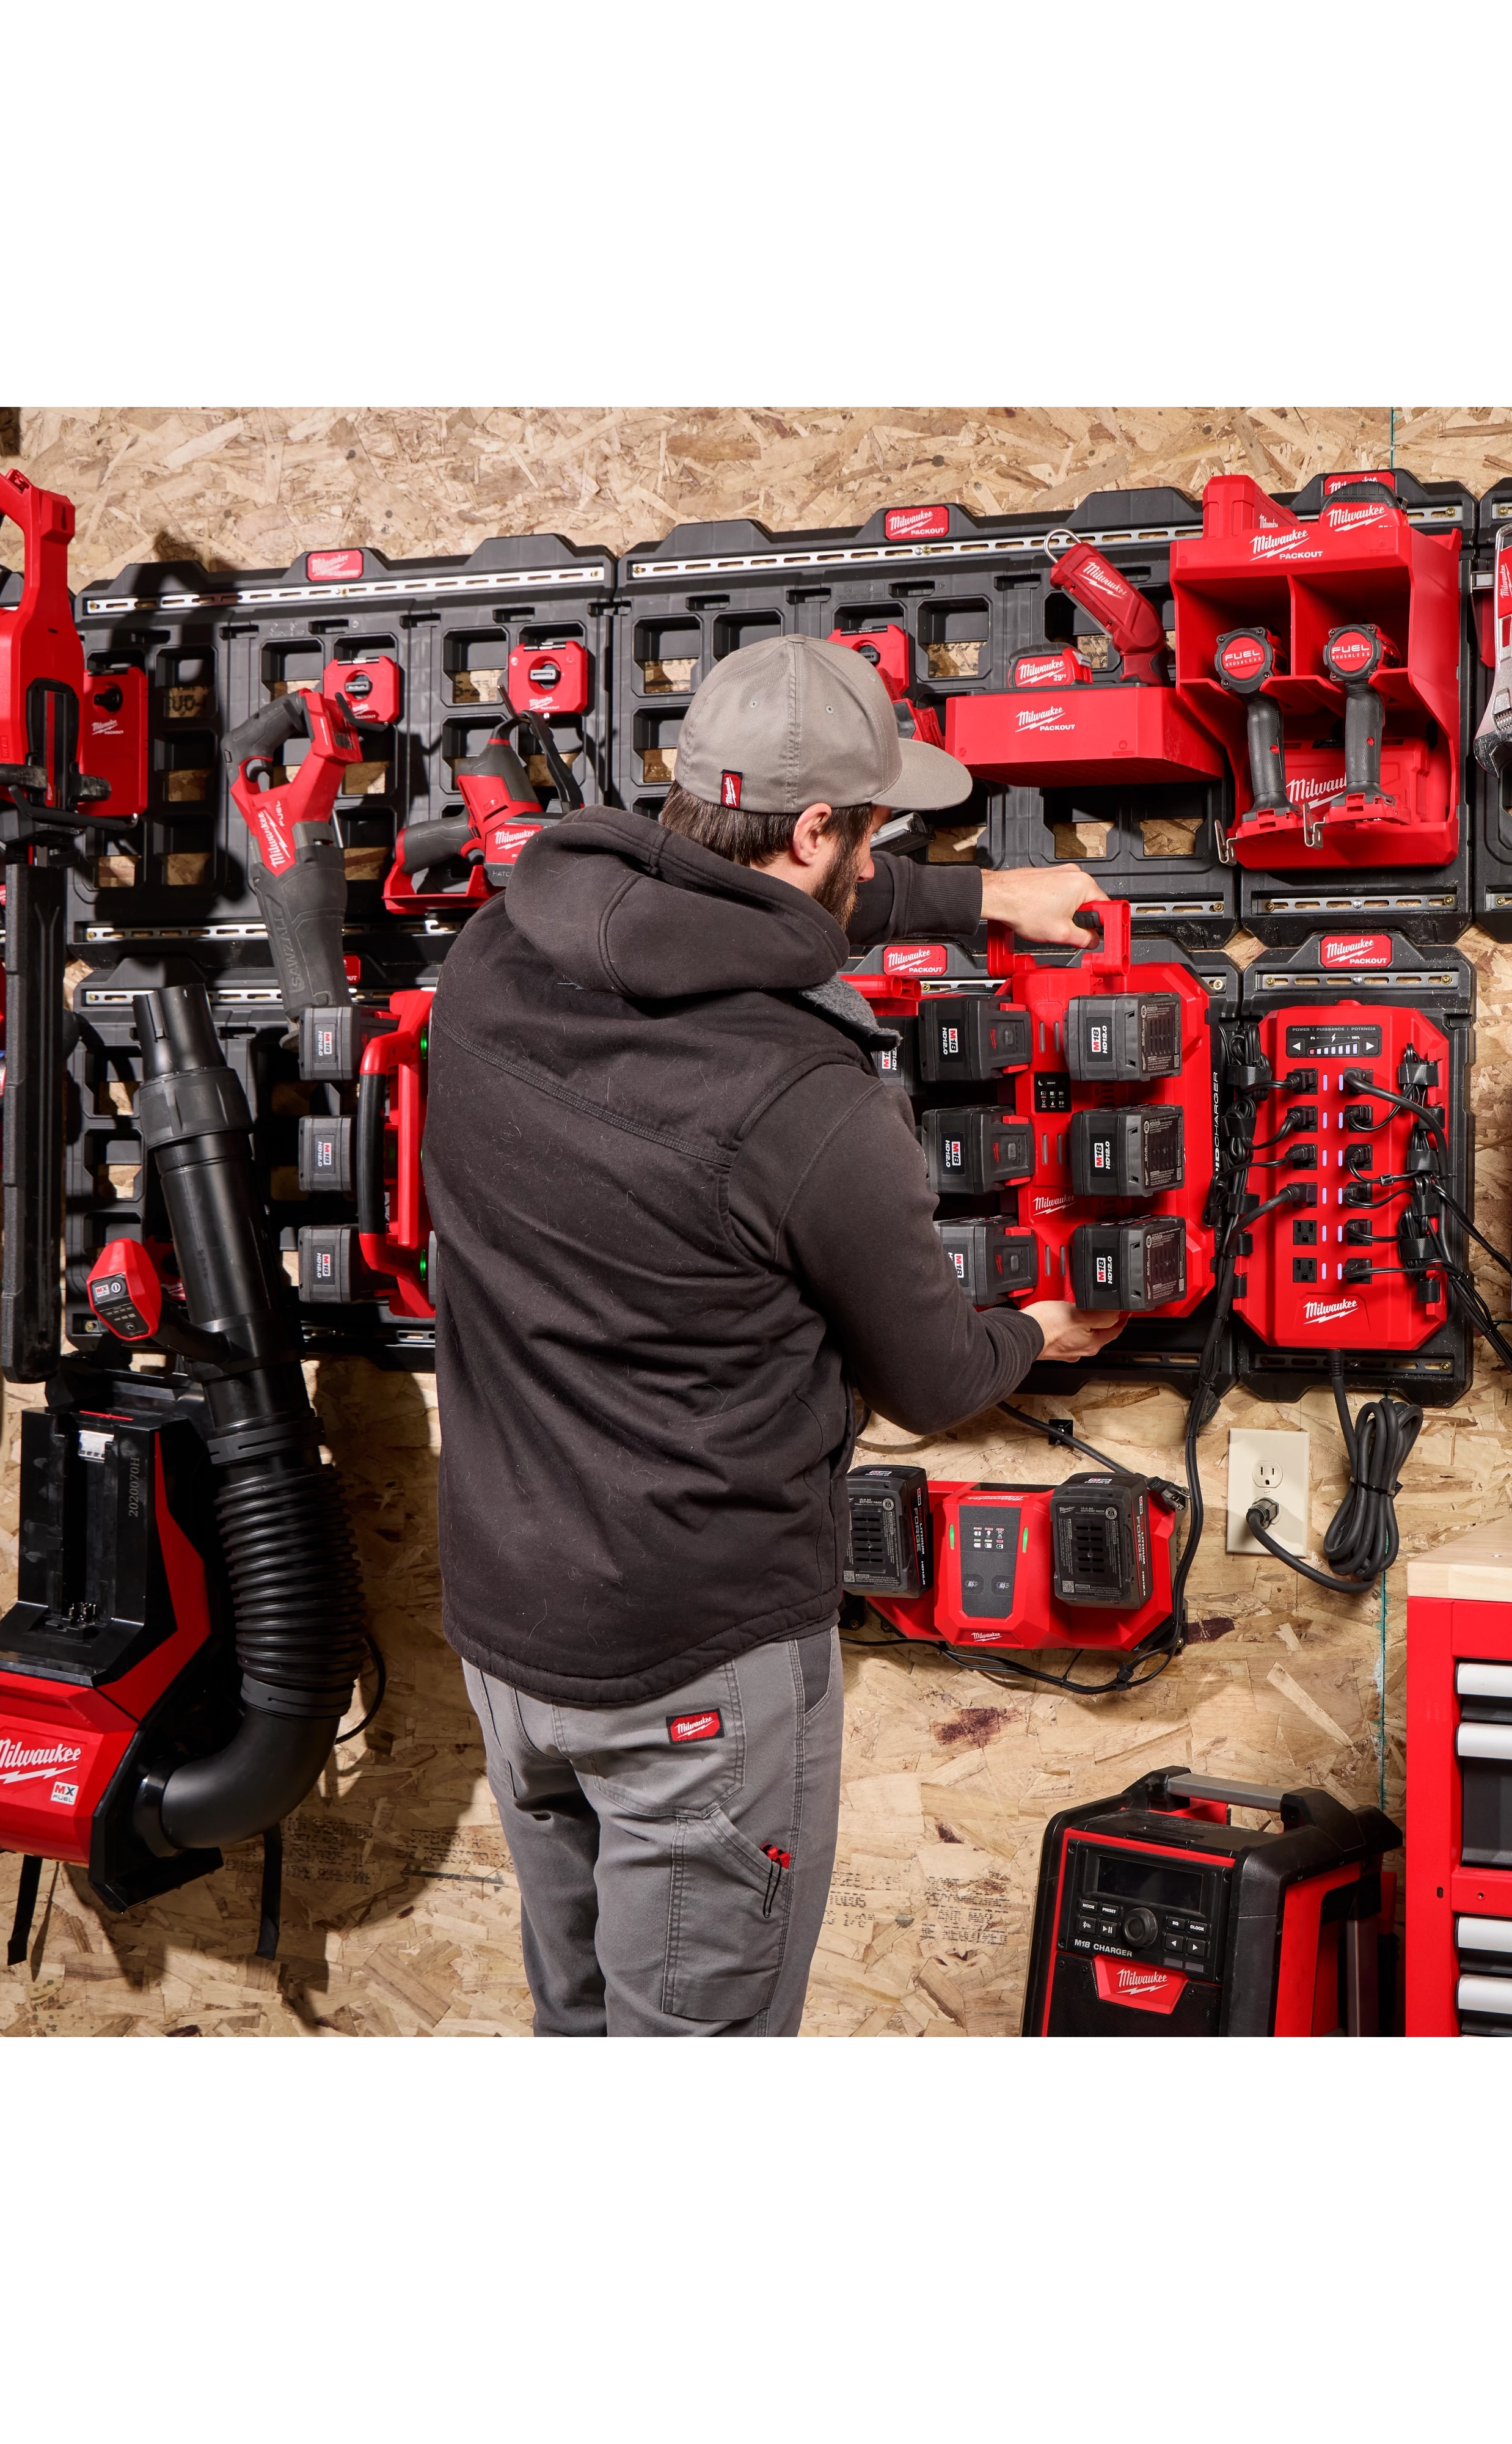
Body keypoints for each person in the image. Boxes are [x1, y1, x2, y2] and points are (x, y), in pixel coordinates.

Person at [422, 634, 1114, 2036]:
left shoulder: (496, 956)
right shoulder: (806, 1098)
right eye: (871, 835)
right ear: (814, 833)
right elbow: (931, 1378)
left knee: (577, 2018)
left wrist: (980, 896)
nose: (876, 859)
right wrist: (1032, 1330)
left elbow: (731, 912)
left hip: (509, 1635)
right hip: (694, 1660)